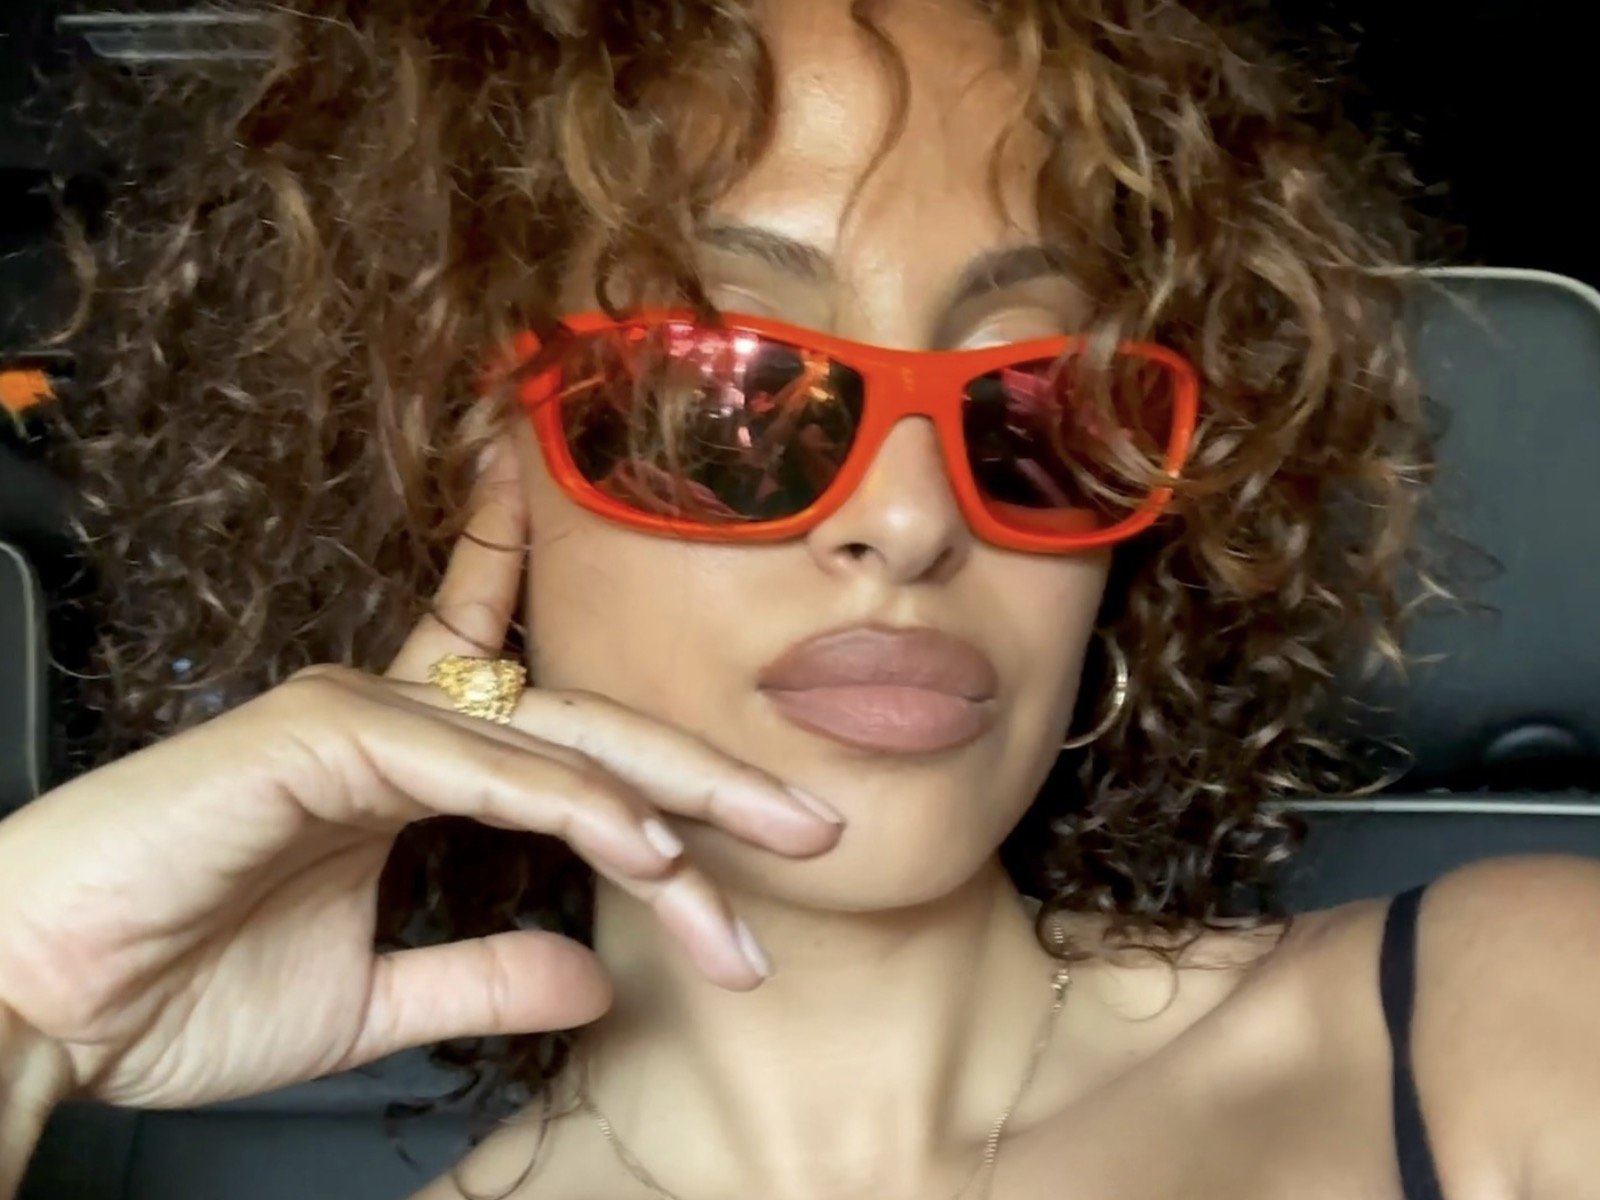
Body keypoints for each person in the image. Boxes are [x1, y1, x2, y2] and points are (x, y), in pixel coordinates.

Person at [2, 1, 1598, 1198]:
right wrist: (21, 1008)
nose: (908, 523)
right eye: (731, 394)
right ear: (464, 466)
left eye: (1035, 406)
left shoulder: (1518, 1021)